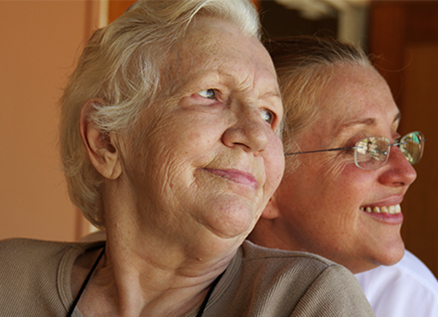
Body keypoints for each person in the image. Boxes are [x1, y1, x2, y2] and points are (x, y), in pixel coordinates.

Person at [0, 2, 375, 316]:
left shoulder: (305, 300)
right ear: (106, 141)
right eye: (211, 93)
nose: (258, 135)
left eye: (268, 114)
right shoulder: (10, 280)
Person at [248, 36, 438, 316]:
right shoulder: (185, 289)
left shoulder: (410, 299)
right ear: (266, 179)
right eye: (365, 147)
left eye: (396, 138)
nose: (407, 172)